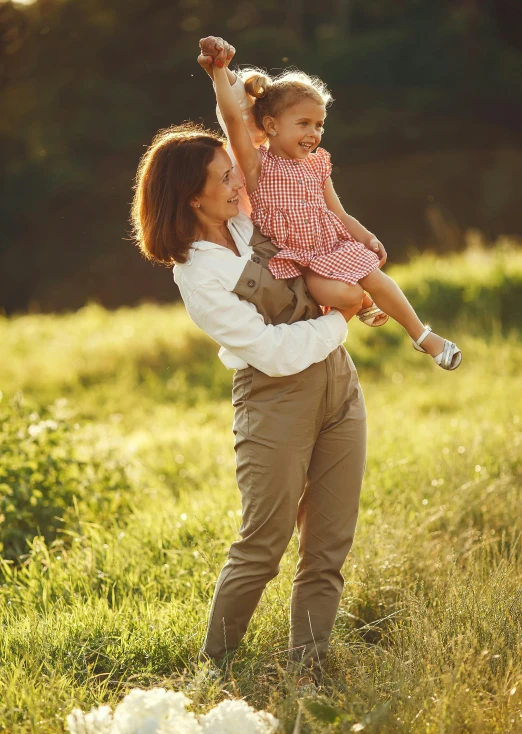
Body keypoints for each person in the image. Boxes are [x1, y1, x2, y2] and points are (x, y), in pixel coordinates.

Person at [130, 40, 366, 686]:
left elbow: (240, 125)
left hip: (338, 387)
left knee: (327, 549)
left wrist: (221, 77)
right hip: (274, 397)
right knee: (262, 547)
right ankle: (216, 669)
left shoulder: (243, 217)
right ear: (192, 201)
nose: (241, 176)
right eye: (225, 177)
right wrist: (341, 317)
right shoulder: (199, 276)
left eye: (234, 171)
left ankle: (309, 668)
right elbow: (268, 350)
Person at [208, 39, 462, 371]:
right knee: (348, 296)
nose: (314, 133)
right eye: (304, 124)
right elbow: (231, 117)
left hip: (330, 247)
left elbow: (338, 213)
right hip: (298, 262)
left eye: (319, 125)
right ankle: (366, 303)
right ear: (271, 126)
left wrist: (366, 236)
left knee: (373, 274)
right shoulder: (257, 166)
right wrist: (217, 72)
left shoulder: (316, 166)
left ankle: (424, 336)